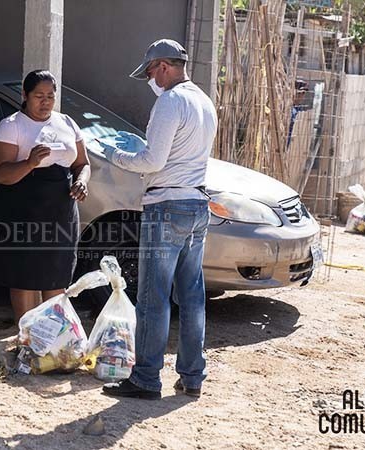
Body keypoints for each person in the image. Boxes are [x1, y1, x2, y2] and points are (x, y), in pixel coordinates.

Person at [99, 39, 217, 400]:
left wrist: (115, 154)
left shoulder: (170, 101)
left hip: (166, 207)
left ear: (163, 67)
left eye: (150, 72)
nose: (150, 79)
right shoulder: (204, 100)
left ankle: (146, 378)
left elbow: (152, 161)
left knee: (153, 296)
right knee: (192, 295)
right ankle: (193, 376)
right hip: (197, 205)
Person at [0, 70, 91, 321]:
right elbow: (0, 174)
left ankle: (55, 339)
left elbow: (82, 163)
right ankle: (28, 338)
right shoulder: (11, 126)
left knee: (57, 274)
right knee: (25, 277)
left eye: (50, 97)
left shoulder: (66, 122)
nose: (45, 102)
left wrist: (81, 182)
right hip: (21, 209)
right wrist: (30, 162)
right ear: (25, 95)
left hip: (60, 210)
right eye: (38, 96)